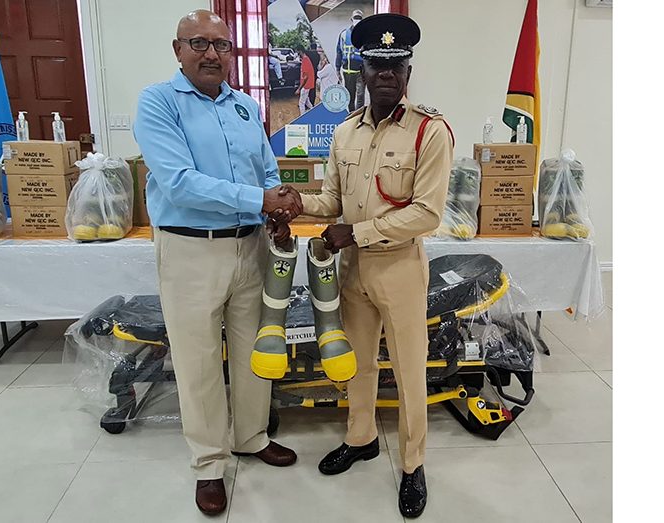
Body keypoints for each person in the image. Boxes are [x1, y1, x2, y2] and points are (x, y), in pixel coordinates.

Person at [282, 13, 454, 518]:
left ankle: (412, 465)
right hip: (353, 270)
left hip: (399, 268)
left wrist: (352, 233)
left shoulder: (430, 132)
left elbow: (427, 213)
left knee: (407, 373)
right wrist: (296, 203)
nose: (385, 73)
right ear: (360, 68)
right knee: (354, 364)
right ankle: (360, 439)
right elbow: (332, 199)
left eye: (395, 65)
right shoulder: (345, 133)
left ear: (407, 71)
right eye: (376, 64)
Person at [133, 9, 300, 517]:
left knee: (255, 348)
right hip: (190, 250)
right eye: (199, 43)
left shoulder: (247, 106)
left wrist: (275, 206)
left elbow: (267, 170)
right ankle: (208, 464)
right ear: (177, 49)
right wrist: (261, 200)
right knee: (199, 361)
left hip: (250, 245)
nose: (211, 53)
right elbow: (179, 181)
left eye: (221, 45)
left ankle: (250, 436)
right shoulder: (157, 102)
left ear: (232, 52)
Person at [336, 9, 365, 112]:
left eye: (359, 18)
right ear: (351, 19)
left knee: (360, 95)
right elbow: (339, 51)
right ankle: (351, 116)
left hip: (361, 72)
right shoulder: (343, 34)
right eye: (356, 18)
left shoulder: (366, 34)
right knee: (350, 97)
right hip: (347, 71)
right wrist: (337, 68)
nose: (357, 20)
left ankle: (359, 117)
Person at [295, 45, 315, 115]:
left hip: (306, 85)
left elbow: (305, 77)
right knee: (307, 101)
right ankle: (314, 112)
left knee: (301, 103)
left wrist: (299, 89)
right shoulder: (306, 59)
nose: (296, 53)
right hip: (308, 84)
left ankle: (302, 118)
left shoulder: (305, 60)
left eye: (297, 51)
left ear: (300, 51)